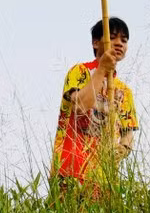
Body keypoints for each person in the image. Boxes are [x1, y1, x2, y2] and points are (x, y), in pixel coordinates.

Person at [51, 17, 138, 199]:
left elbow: (128, 132)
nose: (119, 43)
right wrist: (101, 70)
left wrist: (121, 150)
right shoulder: (80, 72)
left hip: (105, 177)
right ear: (95, 42)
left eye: (124, 40)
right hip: (71, 168)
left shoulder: (125, 91)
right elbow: (81, 105)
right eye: (112, 37)